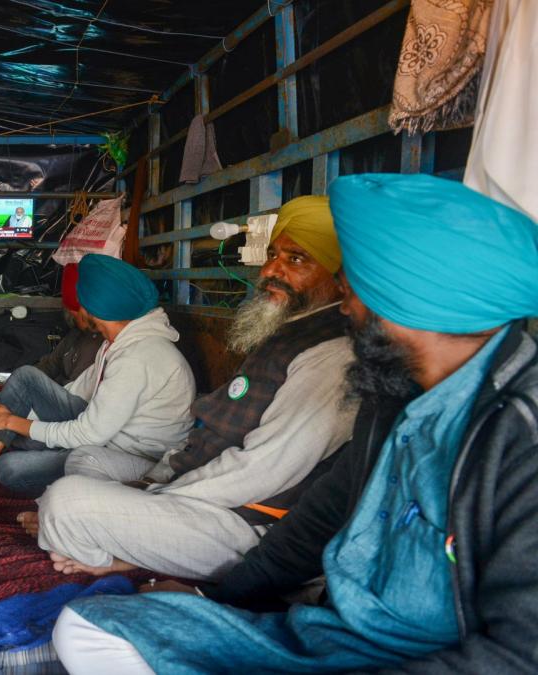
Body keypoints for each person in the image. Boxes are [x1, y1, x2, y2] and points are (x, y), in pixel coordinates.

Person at [53, 173, 538, 674]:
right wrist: (217, 597)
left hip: (409, 659)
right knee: (88, 626)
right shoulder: (393, 395)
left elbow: (518, 656)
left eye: (355, 290)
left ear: (406, 299)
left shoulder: (521, 435)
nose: (346, 307)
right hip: (331, 633)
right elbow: (318, 522)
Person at [26, 195, 355, 581]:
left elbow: (262, 472)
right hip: (194, 488)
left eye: (296, 259)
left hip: (247, 527)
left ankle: (117, 555)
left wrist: (154, 495)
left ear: (340, 276)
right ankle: (121, 543)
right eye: (272, 255)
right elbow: (207, 434)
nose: (271, 270)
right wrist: (157, 480)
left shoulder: (332, 354)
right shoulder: (287, 334)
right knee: (82, 468)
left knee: (65, 503)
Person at [0, 253, 196, 495]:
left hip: (131, 456)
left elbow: (89, 433)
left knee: (9, 468)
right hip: (106, 434)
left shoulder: (138, 356)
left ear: (91, 307)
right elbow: (77, 394)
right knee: (25, 380)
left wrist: (10, 421)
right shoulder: (120, 342)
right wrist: (8, 421)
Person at [34, 262, 105, 385]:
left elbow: (74, 395)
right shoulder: (76, 333)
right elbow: (50, 364)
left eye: (75, 312)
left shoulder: (97, 344)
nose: (71, 316)